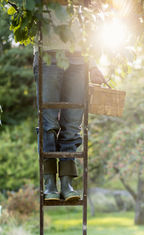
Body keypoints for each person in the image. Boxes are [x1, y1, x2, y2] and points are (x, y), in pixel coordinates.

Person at [33, 0, 105, 201]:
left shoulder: (83, 4)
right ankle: (50, 185)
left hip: (80, 59)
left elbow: (89, 32)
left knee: (73, 124)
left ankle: (67, 184)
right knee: (47, 123)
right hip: (48, 56)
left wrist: (93, 65)